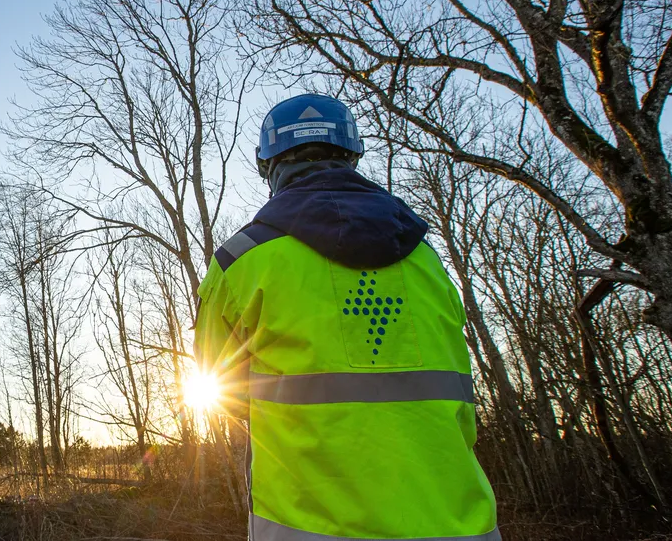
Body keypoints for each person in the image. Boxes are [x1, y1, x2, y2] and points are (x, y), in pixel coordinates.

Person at [195, 94, 499, 540]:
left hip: (307, 527)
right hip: (458, 525)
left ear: (269, 166)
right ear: (352, 156)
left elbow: (221, 384)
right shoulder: (426, 260)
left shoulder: (242, 261)